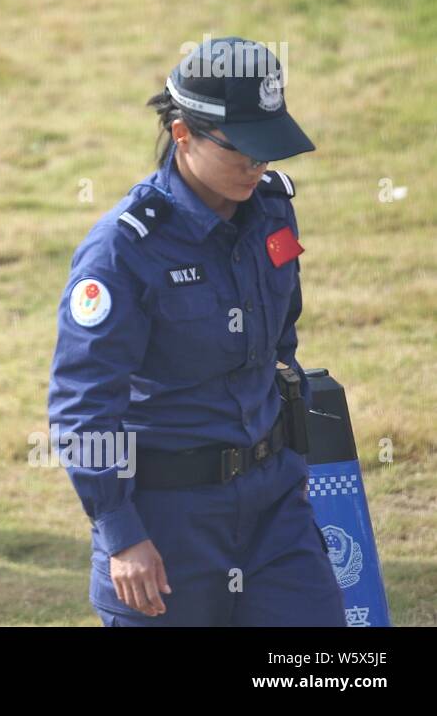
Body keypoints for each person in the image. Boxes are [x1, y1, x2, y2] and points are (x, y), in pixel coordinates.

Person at [48, 37, 345, 626]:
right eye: (242, 151)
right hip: (168, 519)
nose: (258, 167)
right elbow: (85, 407)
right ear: (182, 134)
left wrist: (290, 456)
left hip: (274, 506)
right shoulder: (124, 250)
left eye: (269, 150)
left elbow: (282, 341)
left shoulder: (272, 208)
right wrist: (120, 532)